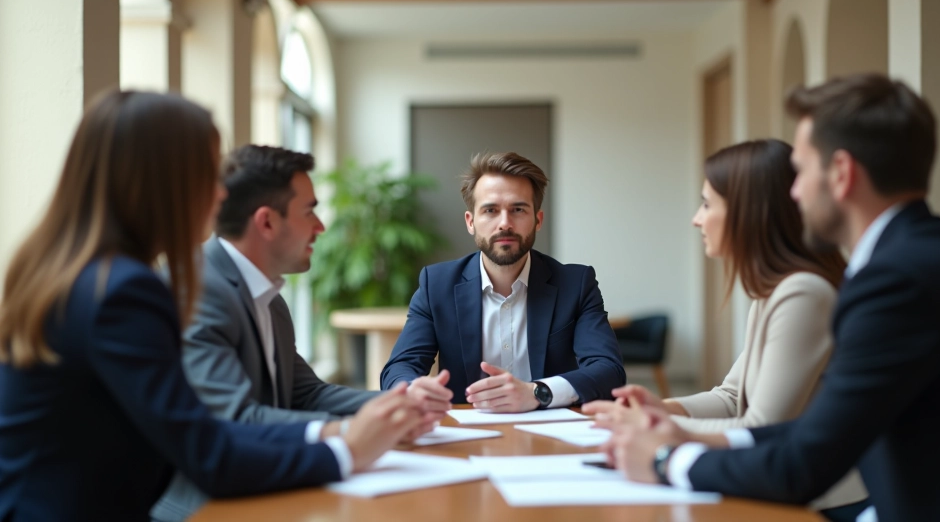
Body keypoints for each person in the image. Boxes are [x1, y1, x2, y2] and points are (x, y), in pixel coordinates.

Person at [592, 74, 940, 522]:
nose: (793, 194)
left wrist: (666, 459)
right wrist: (668, 430)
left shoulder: (897, 281)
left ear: (841, 173)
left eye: (800, 171)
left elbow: (804, 465)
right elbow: (808, 434)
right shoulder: (916, 259)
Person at [0, 91, 424, 522]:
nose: (221, 194)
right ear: (163, 181)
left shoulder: (78, 271)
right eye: (207, 173)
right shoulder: (124, 292)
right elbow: (207, 452)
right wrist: (347, 447)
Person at [152, 145, 448, 521]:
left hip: (264, 484)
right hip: (206, 506)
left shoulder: (267, 296)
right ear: (266, 222)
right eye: (309, 211)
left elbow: (305, 393)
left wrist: (393, 405)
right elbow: (235, 419)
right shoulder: (198, 289)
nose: (321, 226)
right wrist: (354, 431)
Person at [585, 139, 867, 520]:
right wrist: (661, 408)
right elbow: (733, 396)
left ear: (748, 214)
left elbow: (763, 426)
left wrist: (662, 427)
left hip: (822, 505)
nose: (696, 219)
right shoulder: (775, 290)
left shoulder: (803, 293)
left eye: (706, 204)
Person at [380, 152, 625, 411]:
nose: (505, 223)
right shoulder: (437, 285)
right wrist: (412, 388)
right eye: (490, 210)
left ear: (537, 220)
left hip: (554, 432)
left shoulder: (575, 284)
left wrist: (537, 392)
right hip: (465, 436)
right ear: (471, 221)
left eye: (518, 209)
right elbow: (399, 367)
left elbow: (608, 370)